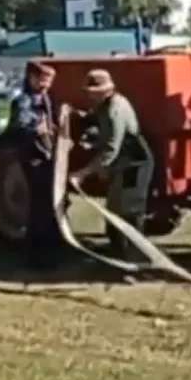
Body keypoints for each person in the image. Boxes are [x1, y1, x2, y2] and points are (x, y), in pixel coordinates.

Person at [70, 68, 154, 256]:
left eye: (92, 93)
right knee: (115, 209)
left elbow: (110, 150)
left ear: (104, 91)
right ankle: (118, 250)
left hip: (135, 163)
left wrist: (82, 173)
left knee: (129, 211)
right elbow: (93, 118)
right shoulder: (103, 106)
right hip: (122, 162)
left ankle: (135, 258)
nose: (89, 97)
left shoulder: (115, 109)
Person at [6, 61, 61, 268]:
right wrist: (34, 127)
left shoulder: (45, 98)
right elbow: (19, 124)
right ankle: (36, 254)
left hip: (47, 156)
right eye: (43, 80)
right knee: (39, 207)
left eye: (49, 80)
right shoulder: (24, 101)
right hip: (33, 157)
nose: (46, 84)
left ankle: (52, 244)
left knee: (49, 203)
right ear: (31, 78)